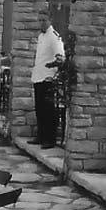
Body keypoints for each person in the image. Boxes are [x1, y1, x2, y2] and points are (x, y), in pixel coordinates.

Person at [31, 15, 65, 149]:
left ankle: (50, 139)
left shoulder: (53, 36)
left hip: (48, 78)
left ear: (50, 20)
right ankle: (41, 135)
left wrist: (52, 67)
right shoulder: (41, 36)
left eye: (44, 20)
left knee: (48, 110)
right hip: (38, 76)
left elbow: (60, 56)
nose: (41, 23)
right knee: (39, 108)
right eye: (39, 20)